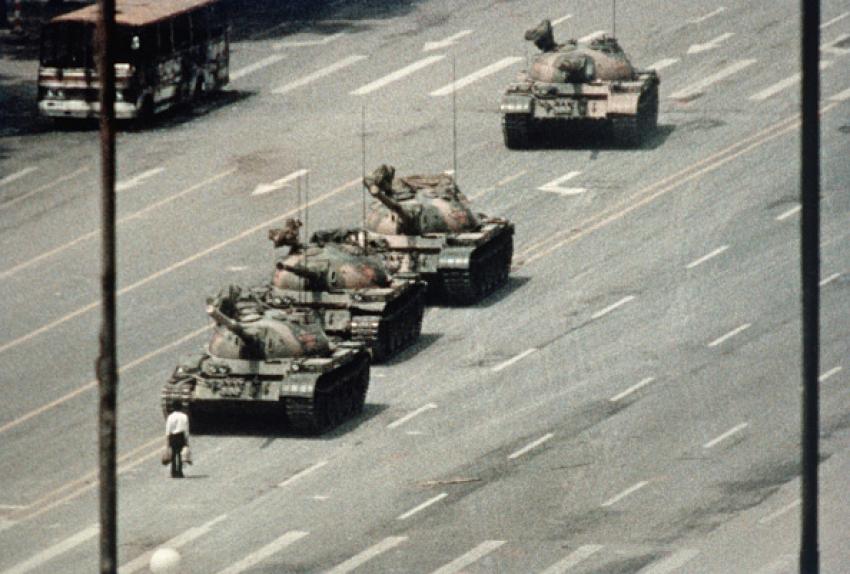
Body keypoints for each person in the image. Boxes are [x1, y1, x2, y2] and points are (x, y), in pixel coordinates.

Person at [165, 403, 190, 478]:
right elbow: (186, 429)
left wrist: (167, 441)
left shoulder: (170, 416)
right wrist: (186, 440)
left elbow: (168, 429)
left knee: (173, 454)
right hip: (180, 436)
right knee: (179, 454)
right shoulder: (184, 416)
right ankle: (179, 472)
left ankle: (173, 471)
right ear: (181, 407)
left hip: (173, 436)